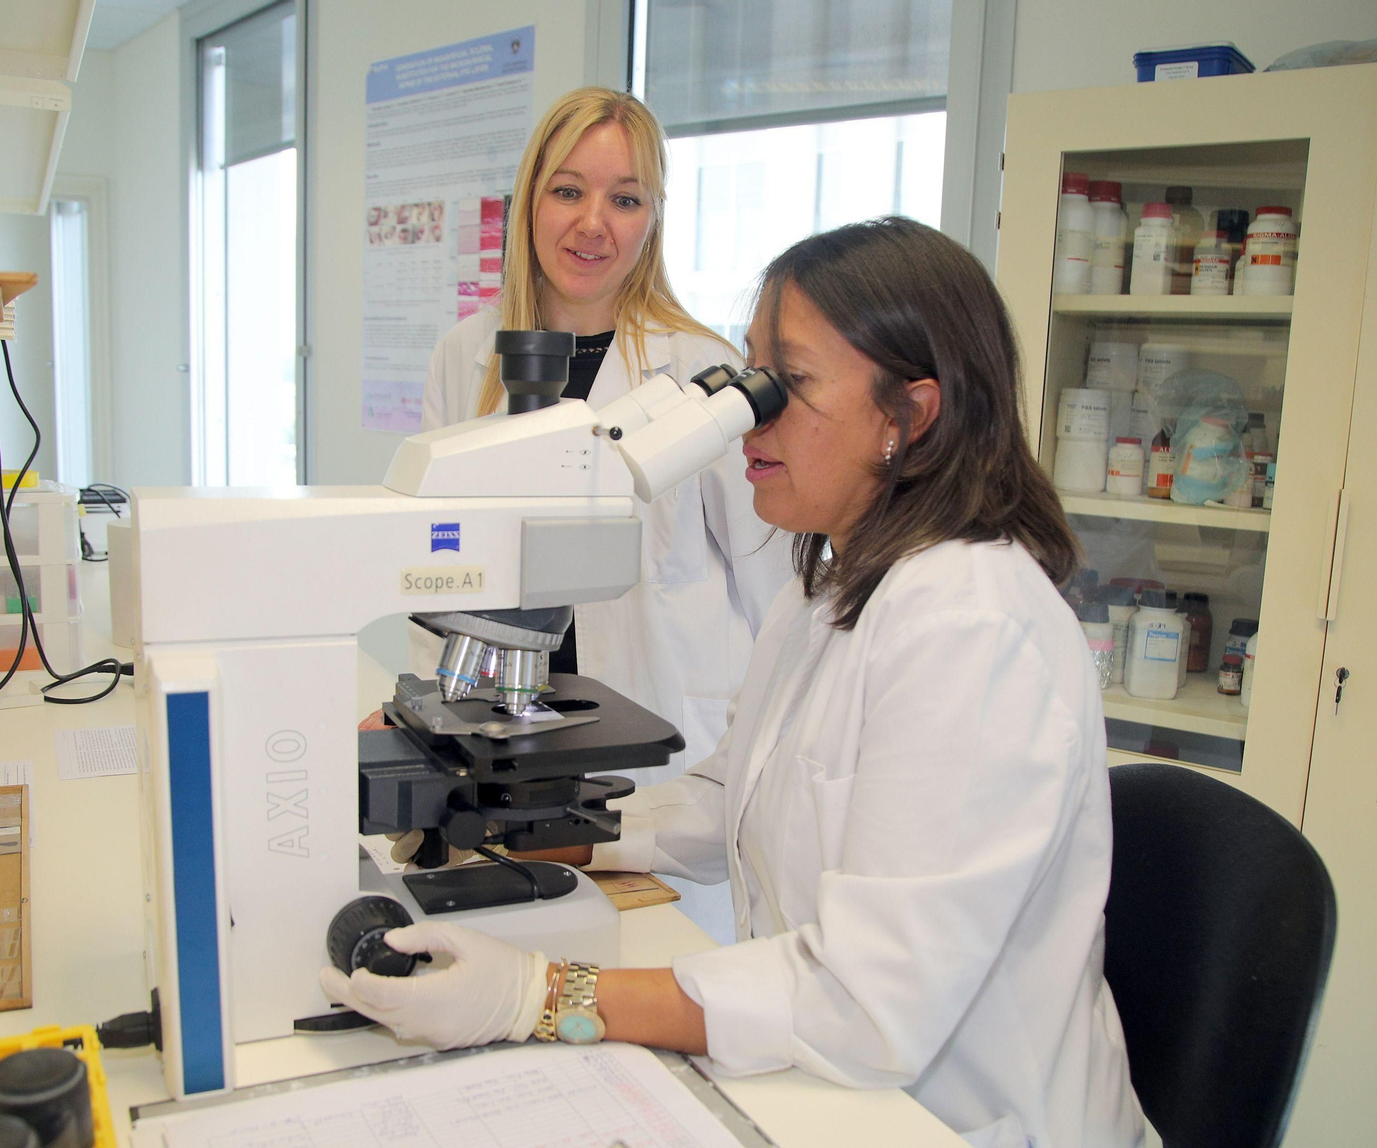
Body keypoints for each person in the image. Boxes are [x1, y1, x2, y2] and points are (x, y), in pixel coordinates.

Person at [327, 218, 1148, 1148]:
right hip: (834, 1095)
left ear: (909, 416)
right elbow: (732, 802)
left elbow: (866, 1000)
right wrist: (509, 829)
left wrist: (541, 995)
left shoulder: (973, 628)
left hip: (952, 1119)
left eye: (786, 383)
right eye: (748, 373)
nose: (748, 411)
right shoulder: (838, 586)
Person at [379, 88, 792, 940]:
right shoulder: (466, 355)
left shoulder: (699, 372)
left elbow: (776, 600)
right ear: (529, 199)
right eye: (568, 190)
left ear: (653, 219)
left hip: (653, 776)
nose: (593, 223)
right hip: (500, 754)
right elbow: (437, 563)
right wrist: (424, 721)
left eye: (625, 198)